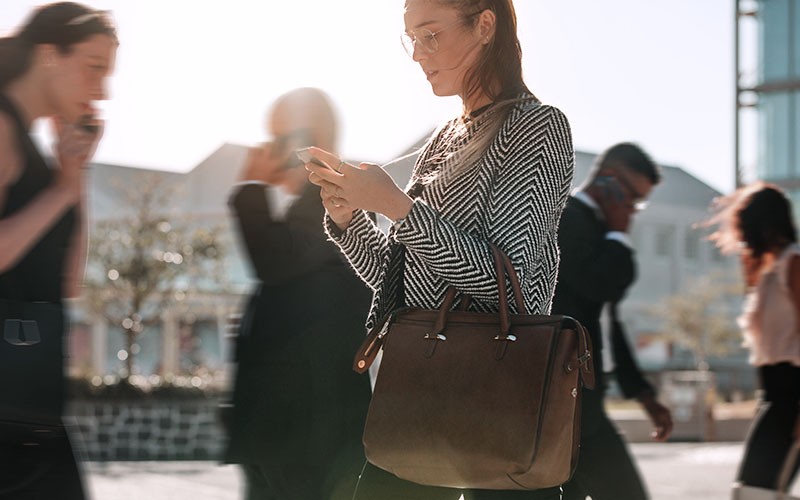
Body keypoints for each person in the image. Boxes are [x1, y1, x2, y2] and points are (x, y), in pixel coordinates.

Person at [303, 1, 574, 499]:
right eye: (411, 39)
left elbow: (507, 288)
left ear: (485, 25)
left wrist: (398, 207)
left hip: (495, 403)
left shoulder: (537, 127)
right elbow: (403, 280)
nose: (417, 55)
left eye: (430, 35)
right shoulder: (444, 137)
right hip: (418, 399)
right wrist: (349, 219)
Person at [223, 87, 374, 500]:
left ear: (307, 142)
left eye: (277, 141)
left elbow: (274, 262)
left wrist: (252, 187)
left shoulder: (337, 200)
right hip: (287, 431)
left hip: (307, 431)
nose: (267, 151)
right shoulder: (306, 206)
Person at [0, 3, 116, 499]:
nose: (101, 91)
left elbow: (67, 284)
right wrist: (61, 193)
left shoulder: (34, 149)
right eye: (94, 69)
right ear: (50, 55)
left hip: (29, 399)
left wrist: (76, 176)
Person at [550, 142, 674, 500]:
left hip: (581, 395)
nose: (633, 210)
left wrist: (643, 394)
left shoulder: (597, 229)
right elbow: (598, 282)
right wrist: (619, 232)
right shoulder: (568, 218)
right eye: (632, 198)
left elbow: (609, 320)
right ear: (607, 180)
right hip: (563, 394)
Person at [705, 181, 800, 493]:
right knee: (754, 490)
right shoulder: (768, 272)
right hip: (773, 395)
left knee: (756, 490)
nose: (742, 237)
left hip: (793, 395)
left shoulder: (794, 263)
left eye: (745, 227)